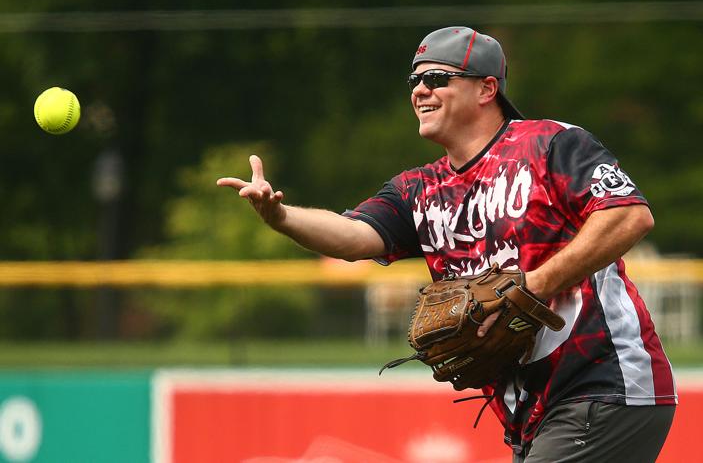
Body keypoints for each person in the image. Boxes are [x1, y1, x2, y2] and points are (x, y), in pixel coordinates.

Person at [217, 26, 677, 462]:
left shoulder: (549, 144)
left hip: (605, 381)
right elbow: (353, 237)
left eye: (437, 78)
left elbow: (627, 216)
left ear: (486, 89)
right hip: (533, 409)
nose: (420, 90)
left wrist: (533, 287)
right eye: (415, 80)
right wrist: (280, 216)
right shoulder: (420, 189)